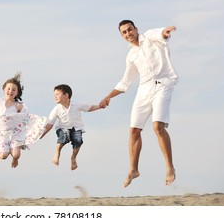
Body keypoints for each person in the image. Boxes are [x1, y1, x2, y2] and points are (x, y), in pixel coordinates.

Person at [99, 20, 178, 187]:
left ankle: (170, 167)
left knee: (157, 126)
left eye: (130, 30)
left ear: (136, 29)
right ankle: (134, 169)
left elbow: (161, 33)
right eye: (124, 33)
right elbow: (125, 82)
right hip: (144, 90)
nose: (128, 34)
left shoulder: (149, 37)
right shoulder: (131, 56)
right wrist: (109, 96)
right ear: (122, 36)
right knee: (134, 130)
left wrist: (166, 32)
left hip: (162, 85)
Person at [0, 73, 46, 168]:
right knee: (3, 156)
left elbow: (25, 120)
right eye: (8, 88)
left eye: (14, 90)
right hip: (3, 133)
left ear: (17, 93)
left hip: (15, 133)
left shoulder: (19, 105)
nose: (10, 91)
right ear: (4, 89)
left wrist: (19, 110)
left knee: (16, 155)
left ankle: (14, 159)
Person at [40, 84, 102, 170]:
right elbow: (50, 124)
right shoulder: (56, 109)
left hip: (76, 128)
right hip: (62, 128)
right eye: (54, 95)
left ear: (66, 95)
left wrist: (100, 106)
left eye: (57, 94)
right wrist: (41, 134)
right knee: (64, 135)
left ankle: (73, 158)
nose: (55, 97)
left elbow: (90, 108)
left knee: (78, 140)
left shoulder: (77, 105)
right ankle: (57, 153)